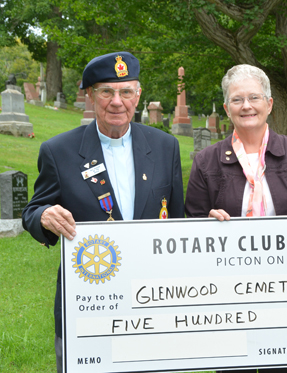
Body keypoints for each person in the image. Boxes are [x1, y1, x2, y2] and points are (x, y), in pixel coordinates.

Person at [22, 51, 184, 373]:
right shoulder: (59, 151)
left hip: (151, 298)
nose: (116, 101)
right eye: (106, 91)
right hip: (90, 300)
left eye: (126, 92)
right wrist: (43, 216)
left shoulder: (165, 147)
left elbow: (178, 220)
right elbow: (33, 209)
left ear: (137, 96)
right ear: (90, 96)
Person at [185, 64, 287, 373]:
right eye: (237, 100)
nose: (246, 106)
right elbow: (190, 224)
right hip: (229, 295)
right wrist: (204, 223)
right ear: (226, 108)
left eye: (254, 97)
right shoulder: (206, 161)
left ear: (269, 103)